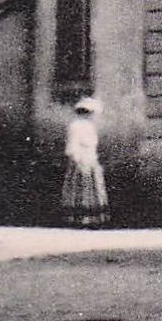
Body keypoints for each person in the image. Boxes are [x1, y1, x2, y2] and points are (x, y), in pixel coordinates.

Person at [61, 97, 109, 227]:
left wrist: (94, 159)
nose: (91, 115)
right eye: (88, 112)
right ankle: (79, 218)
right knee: (81, 185)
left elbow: (92, 144)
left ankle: (92, 218)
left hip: (90, 157)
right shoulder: (75, 126)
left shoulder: (89, 126)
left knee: (92, 186)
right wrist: (76, 159)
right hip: (81, 157)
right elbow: (73, 144)